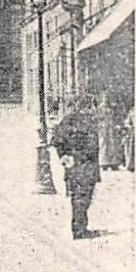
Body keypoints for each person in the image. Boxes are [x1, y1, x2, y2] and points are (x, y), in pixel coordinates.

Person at [52, 98, 103, 239]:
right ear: (86, 107)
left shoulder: (68, 120)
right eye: (92, 107)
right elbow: (92, 148)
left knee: (78, 198)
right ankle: (79, 230)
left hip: (76, 167)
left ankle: (79, 228)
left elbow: (56, 140)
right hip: (85, 167)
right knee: (83, 198)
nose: (93, 110)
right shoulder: (87, 122)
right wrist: (65, 156)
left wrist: (64, 156)